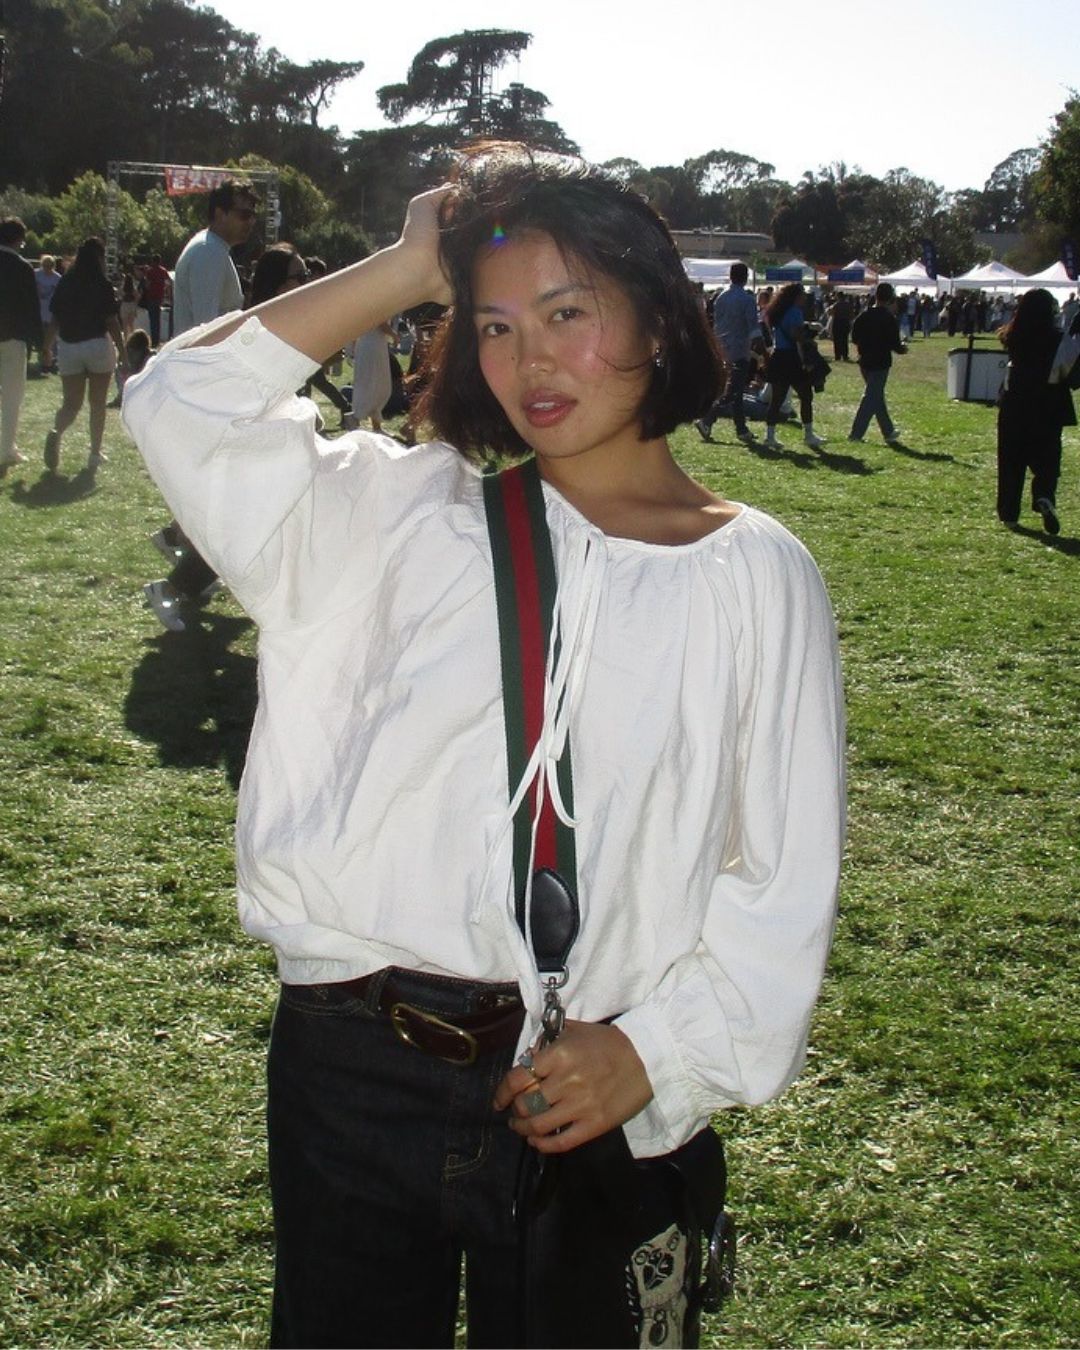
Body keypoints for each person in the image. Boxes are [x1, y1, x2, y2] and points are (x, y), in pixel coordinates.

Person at [123, 142, 845, 1349]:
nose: (532, 361)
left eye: (570, 313)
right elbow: (180, 402)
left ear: (661, 323)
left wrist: (653, 1053)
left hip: (588, 1080)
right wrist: (411, 264)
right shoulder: (396, 516)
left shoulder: (757, 574)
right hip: (353, 1066)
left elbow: (780, 879)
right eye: (497, 326)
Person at [144, 179, 259, 632]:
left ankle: (180, 550)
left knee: (217, 493)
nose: (250, 220)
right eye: (243, 212)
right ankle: (172, 583)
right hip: (207, 387)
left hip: (200, 386)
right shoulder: (211, 254)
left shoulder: (208, 249)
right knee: (223, 496)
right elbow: (213, 332)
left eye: (252, 212)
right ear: (218, 213)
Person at [996, 288, 1075, 534]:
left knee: (1011, 460)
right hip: (1048, 402)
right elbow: (1070, 373)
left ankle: (1009, 512)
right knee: (1048, 459)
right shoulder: (1058, 338)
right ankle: (1044, 495)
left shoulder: (1013, 335)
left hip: (1015, 402)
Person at [44, 236, 125, 475]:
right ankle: (94, 454)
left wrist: (47, 348)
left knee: (71, 404)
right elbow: (111, 321)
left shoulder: (66, 282)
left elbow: (54, 319)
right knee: (97, 403)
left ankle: (57, 431)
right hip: (97, 345)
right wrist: (122, 349)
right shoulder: (101, 284)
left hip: (69, 346)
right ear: (100, 257)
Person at [694, 261, 760, 444]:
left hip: (723, 348)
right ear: (746, 277)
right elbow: (753, 328)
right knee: (733, 391)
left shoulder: (721, 297)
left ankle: (742, 429)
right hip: (740, 349)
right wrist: (763, 352)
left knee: (736, 391)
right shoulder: (747, 300)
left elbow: (716, 324)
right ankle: (707, 420)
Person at [0, 216, 43, 472]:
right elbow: (31, 308)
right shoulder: (22, 267)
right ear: (18, 239)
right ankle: (6, 448)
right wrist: (40, 343)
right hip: (13, 337)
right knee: (12, 395)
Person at [762, 283, 825, 450]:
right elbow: (796, 336)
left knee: (776, 399)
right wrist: (808, 340)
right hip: (792, 358)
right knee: (806, 396)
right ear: (796, 296)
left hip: (778, 357)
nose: (805, 297)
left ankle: (770, 435)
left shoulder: (777, 312)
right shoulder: (795, 312)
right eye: (803, 294)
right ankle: (809, 435)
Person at [848, 281, 907, 447]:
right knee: (871, 397)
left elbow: (854, 337)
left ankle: (888, 431)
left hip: (865, 360)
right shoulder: (889, 318)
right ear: (890, 298)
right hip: (880, 361)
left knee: (876, 396)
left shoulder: (864, 315)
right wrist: (903, 348)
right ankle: (856, 433)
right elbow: (895, 344)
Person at [34, 254, 62, 373]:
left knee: (52, 337)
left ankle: (52, 360)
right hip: (38, 310)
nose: (47, 268)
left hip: (51, 311)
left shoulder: (57, 278)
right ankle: (43, 359)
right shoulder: (36, 274)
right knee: (40, 336)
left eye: (50, 266)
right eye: (45, 265)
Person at [140, 253, 171, 347]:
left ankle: (153, 341)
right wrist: (165, 290)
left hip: (151, 297)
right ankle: (157, 340)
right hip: (159, 298)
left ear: (153, 261)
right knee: (157, 319)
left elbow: (147, 285)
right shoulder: (163, 271)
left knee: (152, 320)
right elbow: (168, 282)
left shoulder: (150, 271)